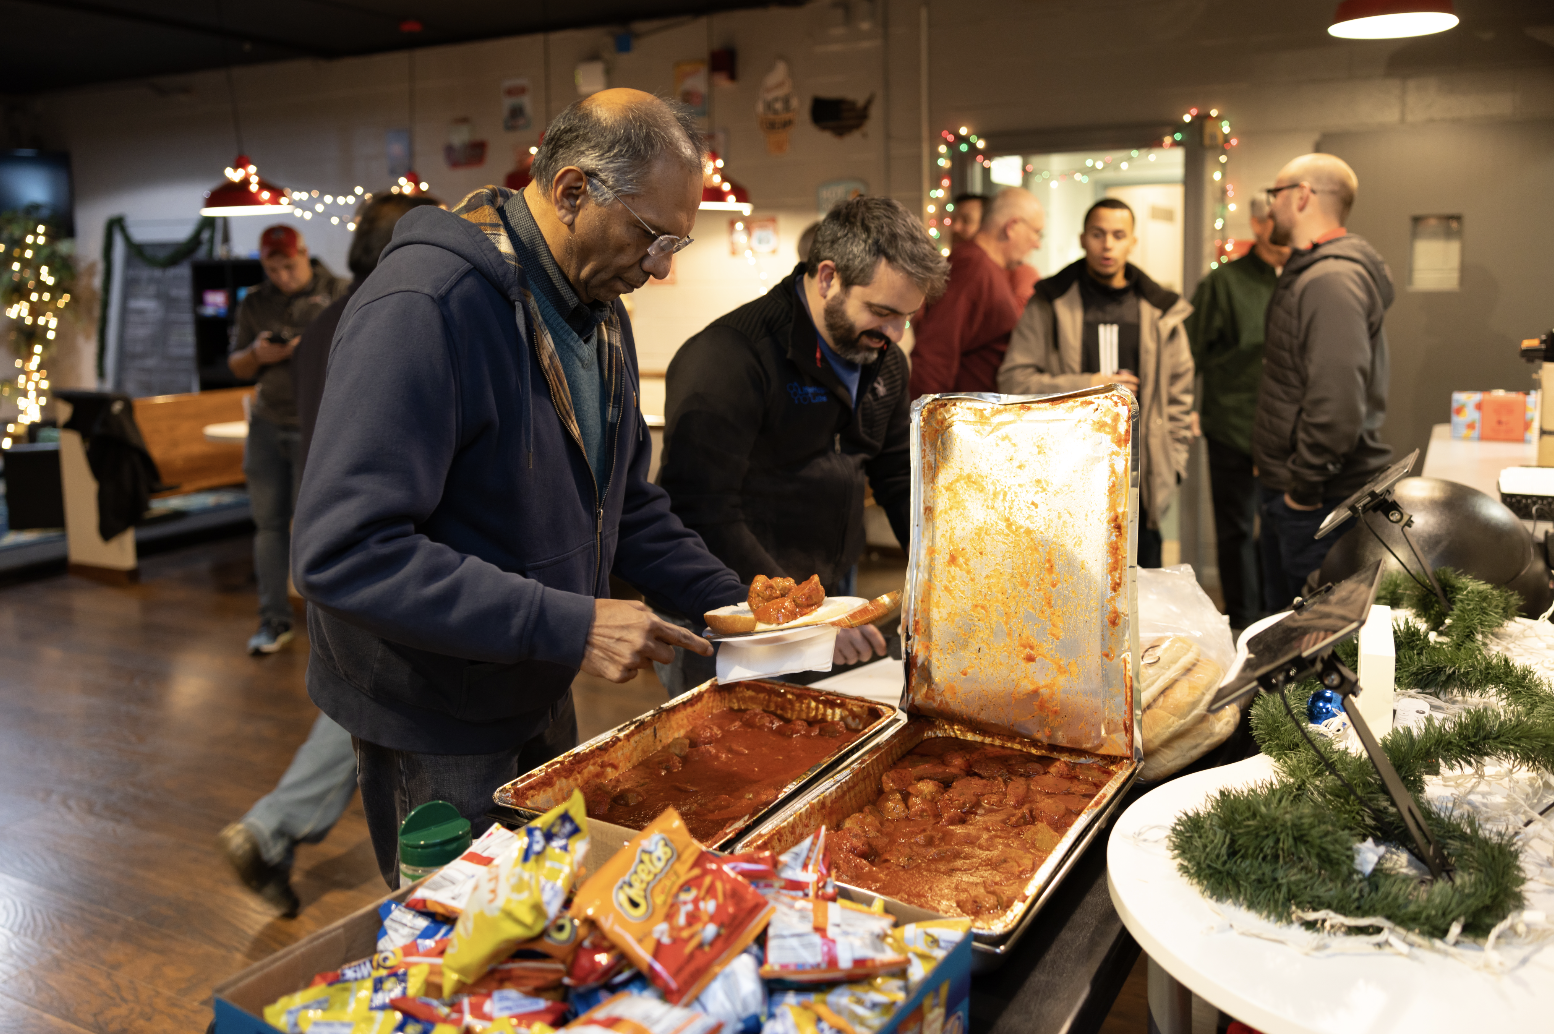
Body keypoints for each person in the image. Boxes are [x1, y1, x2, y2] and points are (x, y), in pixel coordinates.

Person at [292, 89, 750, 887]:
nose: (664, 265)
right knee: (461, 951)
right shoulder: (427, 305)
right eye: (653, 235)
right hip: (438, 709)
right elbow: (343, 551)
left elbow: (625, 500)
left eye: (676, 240)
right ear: (572, 191)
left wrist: (733, 604)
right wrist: (571, 624)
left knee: (536, 925)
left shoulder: (594, 297)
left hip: (533, 670)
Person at [217, 192, 441, 917]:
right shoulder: (400, 322)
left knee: (363, 699)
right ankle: (431, 915)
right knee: (391, 708)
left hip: (346, 554)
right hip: (390, 555)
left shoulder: (331, 325)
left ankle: (272, 829)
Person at [654, 197, 949, 695]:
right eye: (881, 312)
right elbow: (703, 511)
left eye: (907, 317)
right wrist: (800, 614)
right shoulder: (729, 356)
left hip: (825, 590)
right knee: (734, 755)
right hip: (729, 602)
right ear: (828, 277)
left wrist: (945, 566)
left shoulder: (884, 360)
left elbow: (898, 476)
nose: (896, 334)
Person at [997, 198, 1194, 568]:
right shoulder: (1049, 301)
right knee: (1069, 596)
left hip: (1141, 481)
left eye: (1118, 235)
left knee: (1141, 596)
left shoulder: (1161, 309)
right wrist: (1089, 385)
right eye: (1098, 234)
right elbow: (1014, 380)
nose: (1107, 245)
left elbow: (1179, 397)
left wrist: (1175, 465)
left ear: (1133, 241)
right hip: (1065, 478)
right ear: (1082, 238)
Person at [1253, 153, 1393, 608]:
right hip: (1304, 493)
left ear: (1301, 196)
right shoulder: (1315, 271)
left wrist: (1301, 491)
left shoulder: (1330, 278)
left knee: (1309, 646)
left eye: (1275, 195)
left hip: (1318, 501)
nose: (1269, 207)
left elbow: (1336, 404)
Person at [228, 225, 349, 655]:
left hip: (315, 425)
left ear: (304, 252)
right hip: (265, 423)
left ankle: (332, 631)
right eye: (271, 268)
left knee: (317, 529)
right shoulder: (254, 302)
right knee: (268, 526)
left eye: (288, 265)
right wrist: (257, 354)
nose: (281, 276)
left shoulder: (339, 290)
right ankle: (273, 620)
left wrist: (310, 348)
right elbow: (236, 366)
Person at [1184, 195, 1289, 631]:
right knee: (1237, 531)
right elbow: (1188, 353)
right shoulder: (1224, 284)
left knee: (1284, 528)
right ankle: (1244, 625)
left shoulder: (1305, 277)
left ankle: (1280, 619)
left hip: (1289, 433)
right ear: (1258, 223)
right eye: (1271, 220)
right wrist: (1187, 408)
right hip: (1232, 425)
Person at [908, 187, 1044, 398]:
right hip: (962, 418)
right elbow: (936, 351)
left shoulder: (986, 267)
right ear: (1012, 226)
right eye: (1036, 232)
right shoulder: (973, 266)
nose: (1037, 244)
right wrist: (923, 424)